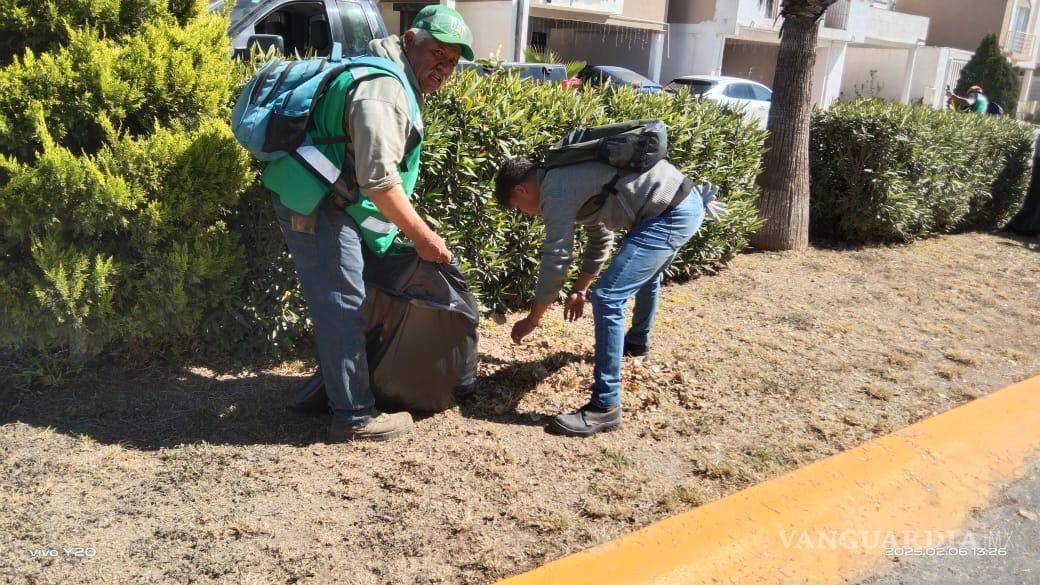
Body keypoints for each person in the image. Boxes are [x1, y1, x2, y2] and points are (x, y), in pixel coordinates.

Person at [265, 6, 474, 442]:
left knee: (347, 296)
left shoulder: (394, 81)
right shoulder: (384, 90)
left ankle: (324, 390)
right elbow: (379, 182)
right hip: (318, 203)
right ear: (410, 41)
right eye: (437, 52)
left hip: (327, 197)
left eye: (452, 61)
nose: (444, 67)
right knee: (343, 302)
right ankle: (354, 416)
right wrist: (424, 237)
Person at [494, 155, 714, 437]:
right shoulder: (570, 175)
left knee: (609, 297)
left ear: (521, 190)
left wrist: (533, 319)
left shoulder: (554, 189)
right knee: (646, 276)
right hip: (679, 205)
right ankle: (636, 343)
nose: (527, 214)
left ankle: (605, 406)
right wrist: (580, 289)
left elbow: (557, 258)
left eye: (519, 208)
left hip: (671, 214)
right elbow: (601, 238)